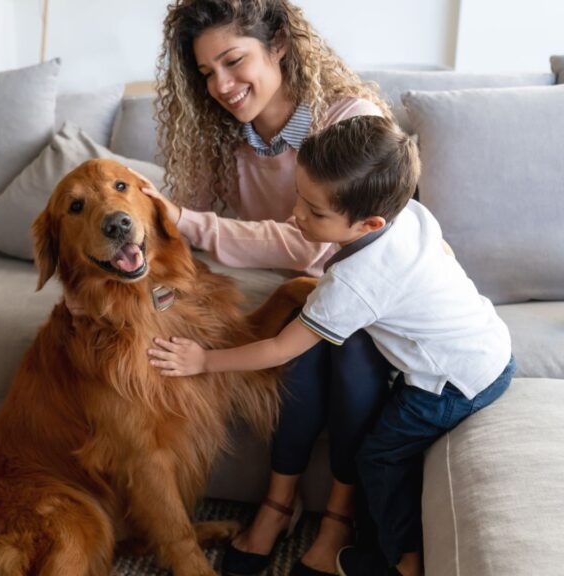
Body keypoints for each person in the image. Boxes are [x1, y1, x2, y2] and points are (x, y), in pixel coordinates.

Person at [68, 1, 398, 574]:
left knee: (346, 358)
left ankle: (336, 522)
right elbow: (171, 240)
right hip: (299, 291)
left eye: (233, 60)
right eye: (204, 72)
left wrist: (187, 221)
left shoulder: (347, 118)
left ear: (279, 47)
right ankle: (277, 505)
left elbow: (313, 245)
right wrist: (120, 285)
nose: (221, 85)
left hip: (362, 292)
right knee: (296, 358)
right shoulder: (222, 137)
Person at [148, 115, 515, 576]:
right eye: (300, 195)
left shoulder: (354, 285)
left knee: (381, 455)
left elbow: (281, 349)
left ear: (370, 222)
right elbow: (444, 254)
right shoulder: (413, 215)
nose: (297, 215)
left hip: (453, 381)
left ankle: (402, 560)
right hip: (489, 344)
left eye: (315, 212)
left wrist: (203, 359)